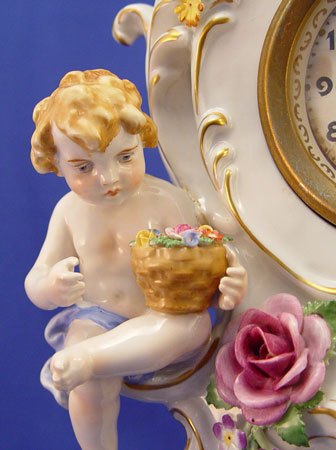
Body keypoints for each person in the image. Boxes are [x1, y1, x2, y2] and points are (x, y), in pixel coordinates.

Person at [25, 69, 247, 450]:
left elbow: (202, 265)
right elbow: (36, 277)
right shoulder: (68, 212)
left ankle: (89, 360)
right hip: (98, 319)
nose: (108, 178)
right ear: (56, 163)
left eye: (125, 157)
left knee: (191, 326)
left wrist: (224, 287)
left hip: (163, 317)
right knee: (86, 384)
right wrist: (50, 286)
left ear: (141, 143)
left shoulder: (166, 202)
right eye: (84, 167)